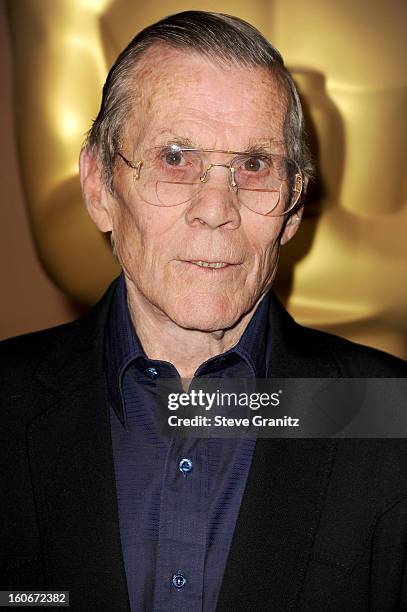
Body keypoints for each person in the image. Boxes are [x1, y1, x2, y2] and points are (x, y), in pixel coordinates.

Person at [1, 11, 407, 612]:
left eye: (254, 165)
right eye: (174, 157)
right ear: (99, 188)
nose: (216, 208)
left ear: (293, 210)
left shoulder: (389, 419)